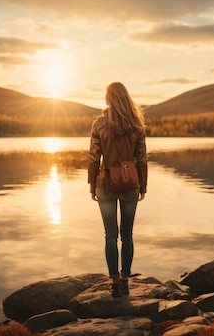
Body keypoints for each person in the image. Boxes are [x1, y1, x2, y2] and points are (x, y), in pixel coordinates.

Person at [88, 82, 148, 298]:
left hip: (105, 184)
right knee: (128, 235)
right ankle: (125, 280)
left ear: (108, 98)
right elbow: (141, 158)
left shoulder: (99, 124)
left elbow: (94, 157)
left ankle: (114, 281)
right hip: (130, 184)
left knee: (110, 236)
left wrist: (92, 185)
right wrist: (143, 185)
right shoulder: (137, 124)